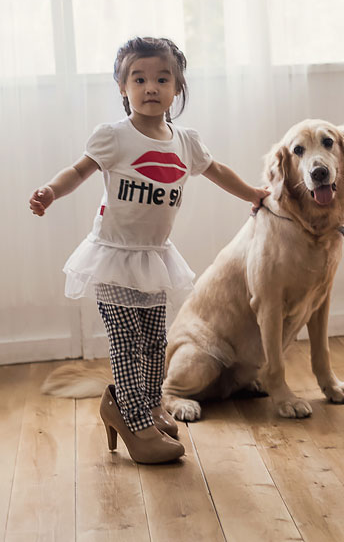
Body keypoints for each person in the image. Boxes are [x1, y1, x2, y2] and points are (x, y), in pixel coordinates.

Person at [29, 36, 269, 463]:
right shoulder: (114, 137)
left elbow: (217, 172)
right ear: (123, 88)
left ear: (177, 88)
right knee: (125, 342)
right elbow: (78, 171)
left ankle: (150, 403)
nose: (150, 87)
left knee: (156, 341)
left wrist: (252, 192)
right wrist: (51, 191)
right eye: (138, 79)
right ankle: (132, 418)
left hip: (152, 257)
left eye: (162, 78)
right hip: (113, 255)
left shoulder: (185, 142)